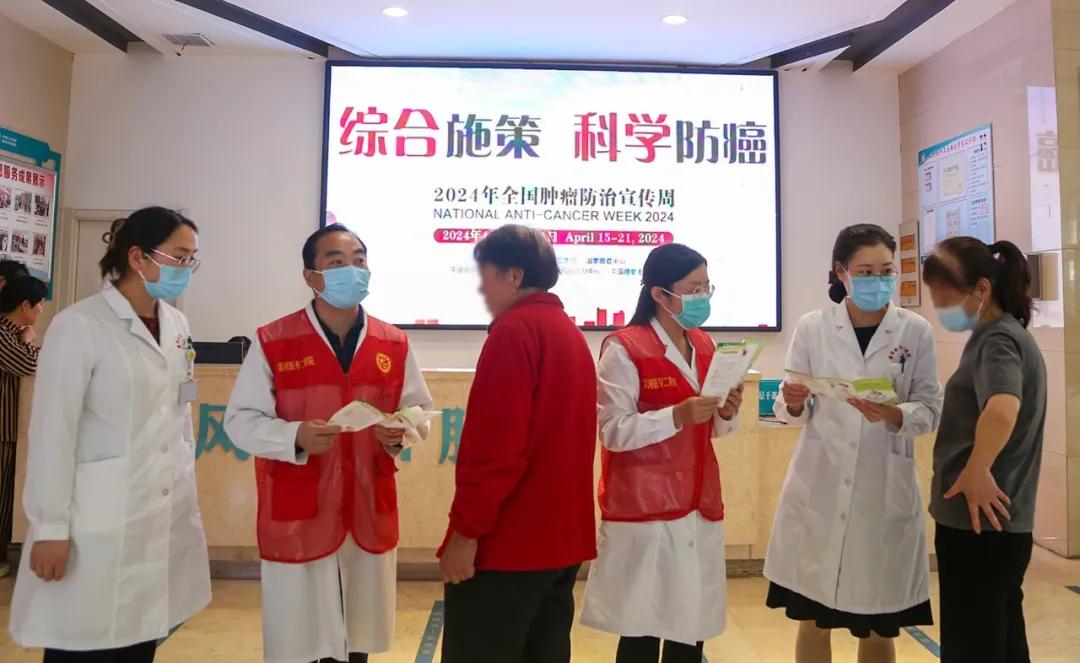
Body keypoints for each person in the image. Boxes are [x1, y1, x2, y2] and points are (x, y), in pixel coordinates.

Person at [9, 207, 211, 662]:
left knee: (140, 640)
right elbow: (53, 433)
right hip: (94, 520)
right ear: (138, 257)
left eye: (192, 260)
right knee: (84, 642)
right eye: (179, 257)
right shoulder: (79, 325)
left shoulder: (176, 326)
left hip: (160, 513)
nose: (186, 270)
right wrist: (50, 527)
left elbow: (179, 415)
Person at [224, 223, 433, 663]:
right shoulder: (274, 340)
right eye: (336, 262)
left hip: (366, 503)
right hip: (301, 506)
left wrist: (401, 432)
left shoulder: (393, 342)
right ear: (310, 276)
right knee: (302, 640)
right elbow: (240, 421)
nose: (351, 270)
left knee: (356, 640)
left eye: (359, 260)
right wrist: (294, 436)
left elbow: (418, 409)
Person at [765, 224, 942, 663]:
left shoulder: (915, 331)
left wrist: (895, 415)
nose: (877, 280)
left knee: (878, 625)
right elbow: (792, 410)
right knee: (813, 619)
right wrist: (792, 400)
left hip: (881, 492)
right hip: (819, 489)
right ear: (841, 271)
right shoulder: (812, 328)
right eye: (865, 271)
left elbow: (930, 409)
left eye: (886, 270)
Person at [438, 224, 597, 663]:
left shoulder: (514, 332)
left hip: (509, 544)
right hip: (560, 542)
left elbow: (495, 451)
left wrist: (466, 532)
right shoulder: (567, 332)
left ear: (513, 275)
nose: (481, 289)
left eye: (485, 275)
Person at [580, 243, 742, 663]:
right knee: (642, 628)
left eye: (707, 287)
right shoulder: (624, 347)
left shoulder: (706, 346)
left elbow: (714, 430)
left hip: (698, 503)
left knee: (691, 629)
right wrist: (676, 415)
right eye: (692, 289)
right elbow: (613, 431)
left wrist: (726, 411)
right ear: (659, 294)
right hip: (645, 507)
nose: (702, 297)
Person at [921, 237, 1045, 663]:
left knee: (973, 645)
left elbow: (1003, 407)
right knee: (1002, 640)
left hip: (979, 525)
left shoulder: (998, 341)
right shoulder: (1000, 335)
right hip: (996, 527)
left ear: (982, 289)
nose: (940, 306)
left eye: (945, 295)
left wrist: (976, 471)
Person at [0, 275, 44, 578]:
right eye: (39, 304)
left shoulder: (14, 332)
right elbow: (27, 365)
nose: (41, 310)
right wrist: (28, 340)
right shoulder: (5, 332)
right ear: (24, 305)